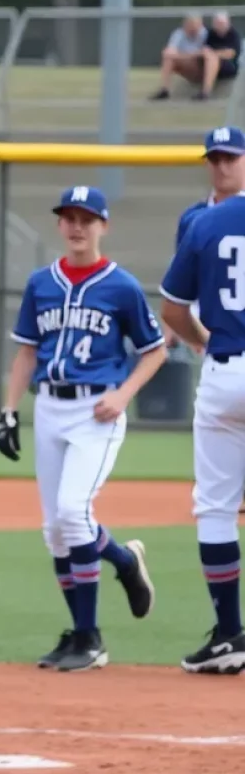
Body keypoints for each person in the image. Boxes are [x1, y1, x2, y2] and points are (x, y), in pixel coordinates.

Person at [0, 185, 166, 672]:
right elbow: (27, 351)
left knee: (73, 513)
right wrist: (9, 412)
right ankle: (83, 634)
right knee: (55, 531)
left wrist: (124, 393)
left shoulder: (122, 285)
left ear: (103, 226)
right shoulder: (40, 283)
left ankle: (119, 578)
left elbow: (154, 350)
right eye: (68, 217)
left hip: (97, 411)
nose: (76, 226)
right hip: (49, 406)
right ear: (59, 225)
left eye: (87, 218)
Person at [160, 145, 245, 674]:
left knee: (216, 507)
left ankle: (230, 635)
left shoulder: (207, 222)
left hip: (225, 371)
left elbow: (172, 308)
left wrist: (200, 340)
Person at [166, 126, 245, 516]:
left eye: (230, 157)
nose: (222, 166)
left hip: (232, 324)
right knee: (218, 409)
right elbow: (178, 287)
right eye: (215, 159)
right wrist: (182, 332)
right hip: (204, 319)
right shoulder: (194, 218)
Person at [149, 12, 208, 100]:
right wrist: (189, 56)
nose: (193, 27)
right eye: (191, 24)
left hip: (200, 67)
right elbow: (168, 52)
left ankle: (205, 91)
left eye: (196, 24)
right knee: (168, 59)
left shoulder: (206, 34)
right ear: (185, 24)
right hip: (186, 64)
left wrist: (182, 55)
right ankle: (164, 90)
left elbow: (206, 53)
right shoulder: (179, 33)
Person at [196, 12, 241, 101]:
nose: (220, 26)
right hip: (209, 63)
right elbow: (204, 49)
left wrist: (213, 54)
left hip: (229, 66)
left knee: (212, 58)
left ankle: (206, 91)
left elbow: (231, 54)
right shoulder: (210, 34)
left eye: (222, 23)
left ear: (228, 23)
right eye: (217, 23)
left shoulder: (233, 35)